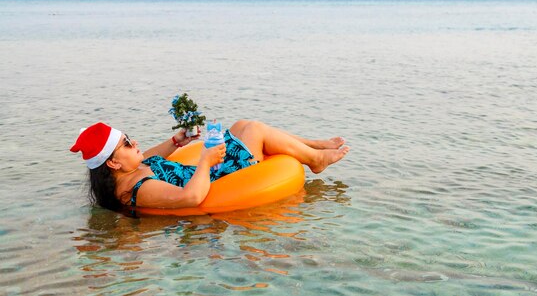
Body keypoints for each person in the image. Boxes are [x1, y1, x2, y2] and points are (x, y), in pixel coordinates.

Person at [70, 120, 350, 212]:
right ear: (114, 162)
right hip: (219, 178)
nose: (135, 143)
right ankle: (315, 159)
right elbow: (190, 197)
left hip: (209, 171)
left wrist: (176, 141)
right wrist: (205, 162)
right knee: (253, 129)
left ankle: (312, 144)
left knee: (240, 126)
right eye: (127, 143)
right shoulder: (138, 189)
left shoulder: (132, 168)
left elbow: (153, 155)